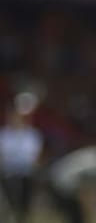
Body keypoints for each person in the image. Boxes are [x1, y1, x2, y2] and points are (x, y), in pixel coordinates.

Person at [46, 144, 96, 223]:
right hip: (60, 186)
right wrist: (92, 215)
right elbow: (86, 195)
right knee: (77, 218)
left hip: (57, 178)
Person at [0, 92, 43, 221]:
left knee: (26, 193)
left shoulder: (33, 135)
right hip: (8, 173)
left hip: (27, 173)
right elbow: (2, 156)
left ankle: (23, 213)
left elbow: (34, 158)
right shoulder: (3, 134)